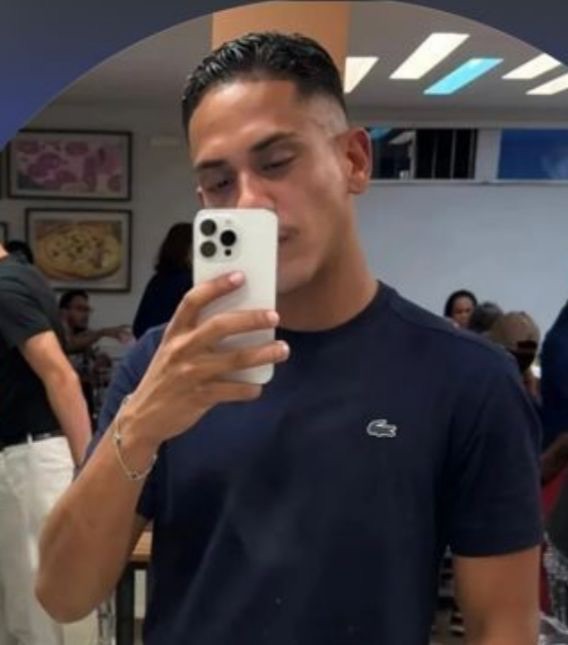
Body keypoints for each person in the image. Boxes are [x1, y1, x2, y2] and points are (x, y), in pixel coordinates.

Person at [37, 33, 542, 644]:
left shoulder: (468, 379)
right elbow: (63, 594)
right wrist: (140, 423)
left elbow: (502, 626)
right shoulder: (163, 366)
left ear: (355, 161)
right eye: (220, 183)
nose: (250, 202)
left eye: (276, 163)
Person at [0, 242, 91, 645]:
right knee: (27, 610)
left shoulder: (6, 287)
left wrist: (88, 468)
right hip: (29, 455)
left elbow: (61, 376)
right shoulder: (24, 275)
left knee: (40, 614)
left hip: (30, 458)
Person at [59, 289, 131, 417]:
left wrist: (101, 361)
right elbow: (69, 345)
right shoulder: (56, 333)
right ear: (64, 311)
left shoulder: (87, 335)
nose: (85, 315)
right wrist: (103, 332)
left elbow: (97, 362)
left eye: (87, 310)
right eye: (80, 309)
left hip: (85, 399)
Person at [132, 222, 193, 338]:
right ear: (189, 249)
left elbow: (139, 327)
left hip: (152, 343)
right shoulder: (187, 281)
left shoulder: (157, 279)